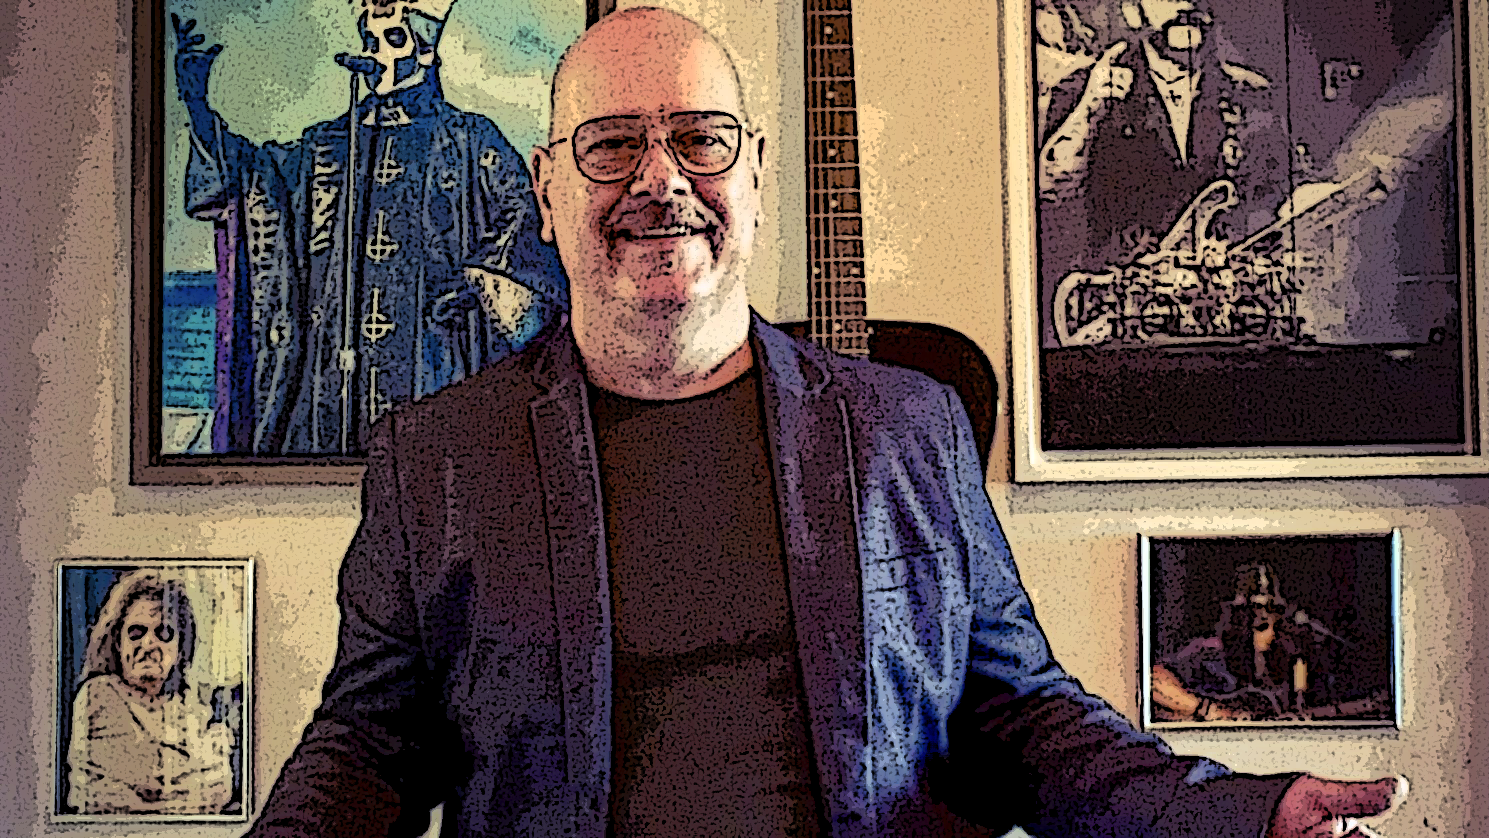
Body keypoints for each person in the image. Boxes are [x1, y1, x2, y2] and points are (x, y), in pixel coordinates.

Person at [246, 8, 1407, 837]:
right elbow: (366, 752)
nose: (660, 178)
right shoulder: (438, 458)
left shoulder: (908, 428)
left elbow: (1020, 716)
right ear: (547, 190)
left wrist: (1238, 812)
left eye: (700, 137)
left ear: (754, 176)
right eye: (611, 144)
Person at [172, 0, 567, 455]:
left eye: (392, 40)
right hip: (330, 379)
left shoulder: (469, 138)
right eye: (370, 40)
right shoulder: (326, 143)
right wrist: (197, 106)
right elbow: (252, 178)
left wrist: (472, 283)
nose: (375, 53)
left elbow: (526, 216)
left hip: (434, 363)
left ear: (424, 52)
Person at [66, 570, 235, 815]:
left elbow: (220, 790)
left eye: (163, 633)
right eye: (136, 632)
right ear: (118, 642)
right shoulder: (98, 695)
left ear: (180, 648)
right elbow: (149, 780)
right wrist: (194, 770)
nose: (148, 644)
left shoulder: (192, 708)